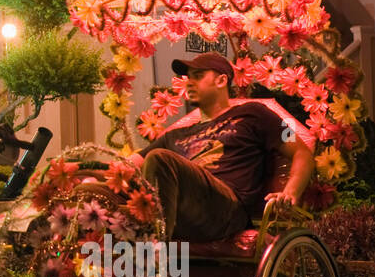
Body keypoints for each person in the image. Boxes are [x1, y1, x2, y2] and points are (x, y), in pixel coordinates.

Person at [126, 53, 313, 242]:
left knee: (159, 158)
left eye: (198, 76)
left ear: (221, 80)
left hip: (226, 210)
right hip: (181, 207)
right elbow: (128, 167)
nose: (189, 83)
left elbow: (301, 151)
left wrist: (291, 192)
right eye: (188, 77)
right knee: (103, 191)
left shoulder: (256, 113)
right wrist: (100, 174)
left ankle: (154, 256)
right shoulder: (174, 135)